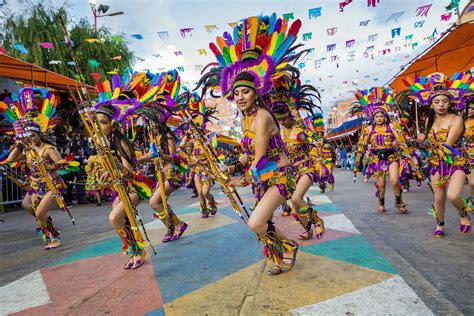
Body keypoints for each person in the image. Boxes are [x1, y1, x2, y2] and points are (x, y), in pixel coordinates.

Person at [198, 14, 310, 275]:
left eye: (245, 92)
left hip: (280, 176)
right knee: (264, 222)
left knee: (255, 222)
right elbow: (248, 156)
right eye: (236, 93)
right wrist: (232, 166)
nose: (239, 97)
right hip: (265, 177)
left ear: (256, 92)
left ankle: (289, 246)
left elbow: (260, 160)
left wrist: (240, 180)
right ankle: (278, 257)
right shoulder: (246, 120)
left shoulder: (261, 118)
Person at [0, 88, 68, 249]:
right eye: (28, 137)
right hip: (35, 186)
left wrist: (48, 165)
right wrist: (19, 145)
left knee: (39, 213)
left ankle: (53, 238)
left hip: (52, 185)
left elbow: (63, 164)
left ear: (39, 134)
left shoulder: (48, 149)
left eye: (33, 136)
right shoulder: (29, 150)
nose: (31, 139)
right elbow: (10, 160)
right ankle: (48, 225)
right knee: (26, 205)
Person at [406, 72, 472, 236]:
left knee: (453, 195)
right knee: (439, 197)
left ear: (450, 102)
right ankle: (440, 225)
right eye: (437, 102)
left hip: (455, 160)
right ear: (431, 104)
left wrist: (426, 142)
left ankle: (463, 213)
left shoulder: (456, 119)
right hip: (437, 163)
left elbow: (448, 145)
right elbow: (428, 146)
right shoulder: (429, 121)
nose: (441, 104)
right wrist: (416, 141)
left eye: (444, 101)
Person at [352, 87, 407, 213]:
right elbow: (363, 144)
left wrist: (395, 142)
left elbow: (400, 140)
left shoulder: (391, 126)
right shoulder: (369, 129)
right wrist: (361, 149)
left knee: (394, 180)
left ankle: (399, 202)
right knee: (381, 185)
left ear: (385, 116)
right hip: (377, 158)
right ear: (373, 117)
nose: (379, 118)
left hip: (392, 156)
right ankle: (381, 204)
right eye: (376, 116)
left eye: (381, 116)